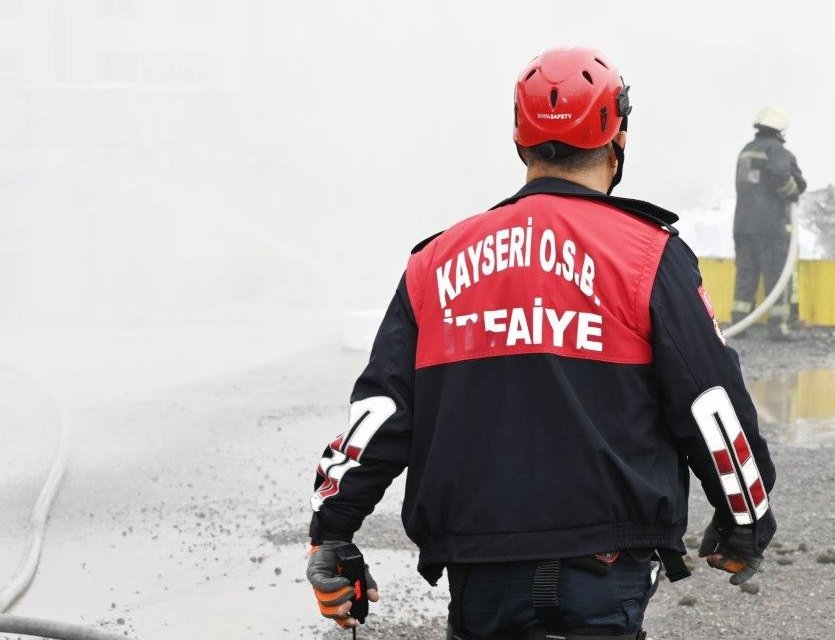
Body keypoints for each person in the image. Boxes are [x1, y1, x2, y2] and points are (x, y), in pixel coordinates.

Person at [305, 46, 777, 639]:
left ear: (519, 140)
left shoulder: (434, 262)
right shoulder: (647, 255)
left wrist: (333, 532)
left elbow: (379, 415)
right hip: (603, 569)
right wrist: (745, 517)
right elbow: (711, 403)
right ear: (618, 138)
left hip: (480, 571)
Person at [732, 106, 806, 341]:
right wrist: (792, 193)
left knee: (746, 274)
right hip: (770, 227)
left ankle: (739, 324)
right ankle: (778, 327)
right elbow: (783, 175)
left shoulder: (746, 151)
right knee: (776, 274)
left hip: (743, 226)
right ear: (780, 130)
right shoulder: (776, 151)